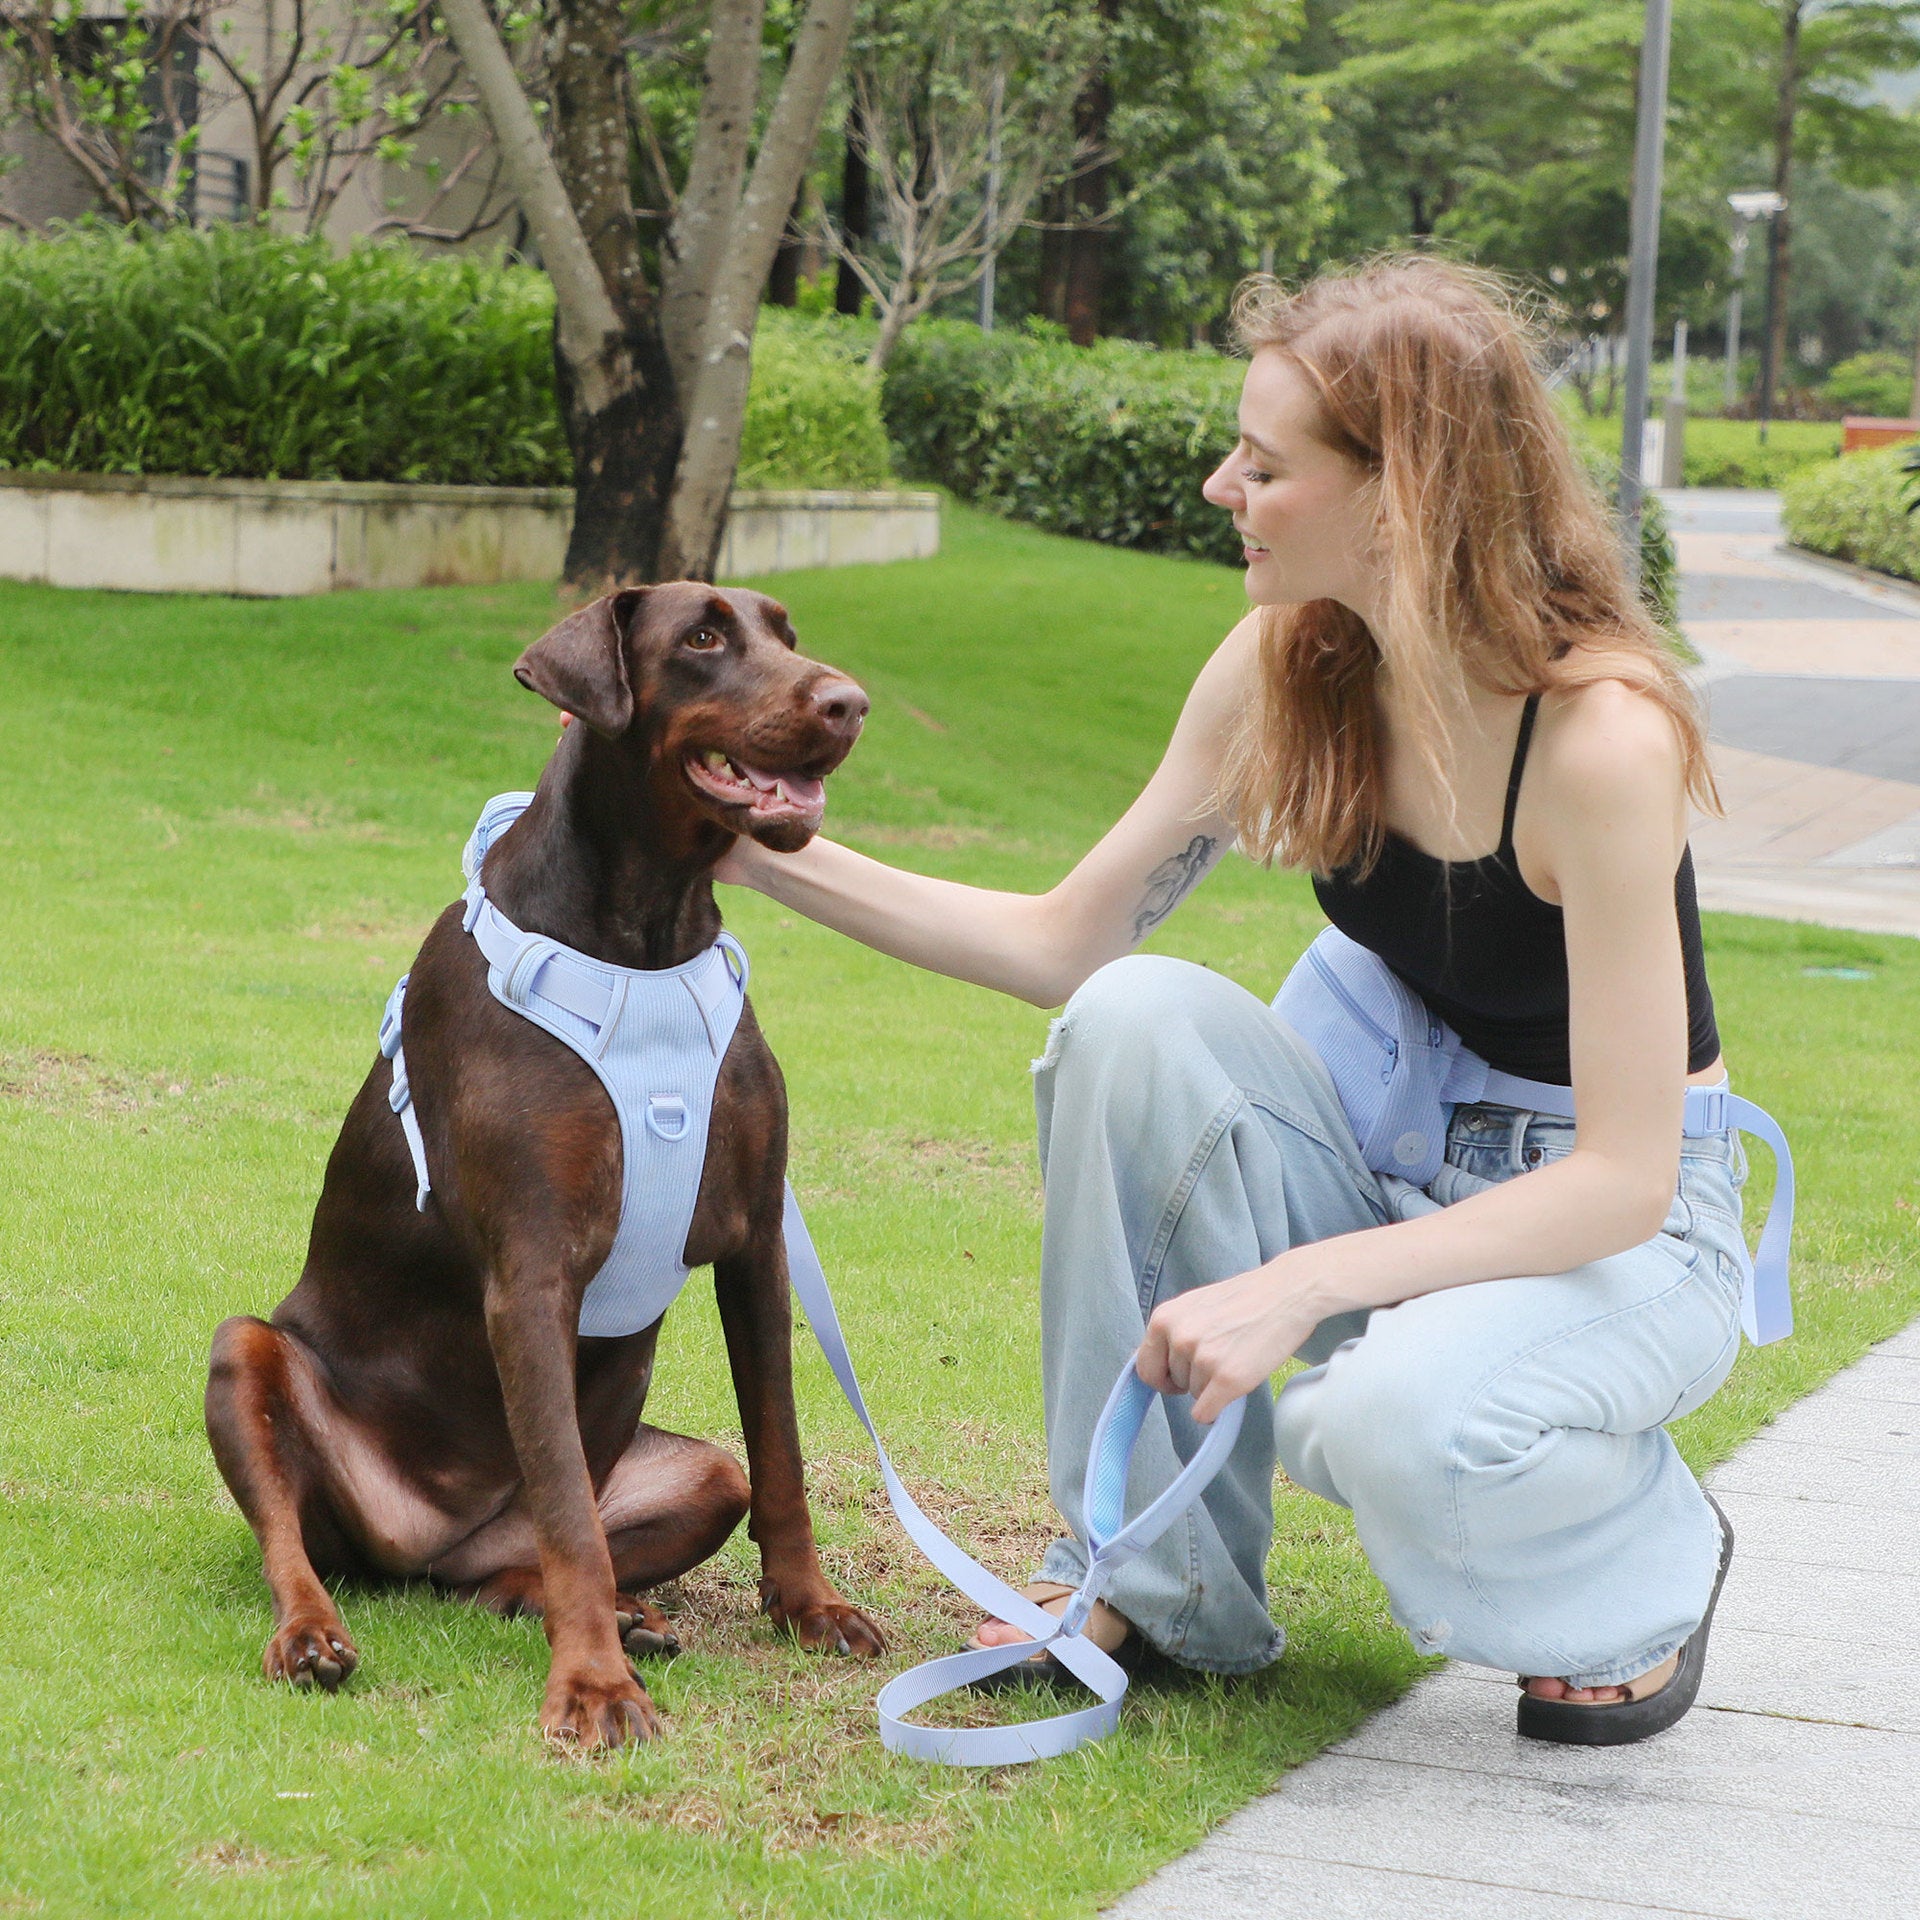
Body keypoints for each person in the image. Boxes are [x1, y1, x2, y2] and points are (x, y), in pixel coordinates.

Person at [716, 256, 1750, 1745]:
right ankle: (1145, 1583)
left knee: (1393, 1421)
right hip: (1385, 1150)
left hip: (1619, 1226)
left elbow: (1625, 1179)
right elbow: (1068, 945)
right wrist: (747, 852)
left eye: (1265, 465)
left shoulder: (1599, 739)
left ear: (1401, 495)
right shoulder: (1289, 662)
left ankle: (1644, 1567)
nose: (1222, 485)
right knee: (1131, 1016)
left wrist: (1301, 1285)